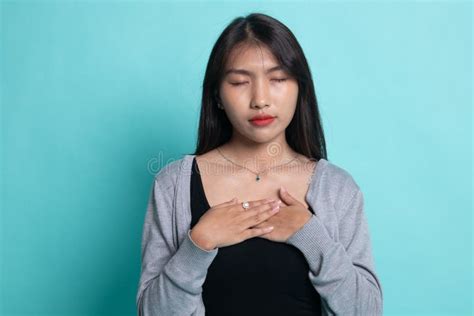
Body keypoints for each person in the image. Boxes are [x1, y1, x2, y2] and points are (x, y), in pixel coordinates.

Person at [136, 12, 383, 316]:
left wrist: (311, 235)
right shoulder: (172, 185)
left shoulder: (338, 188)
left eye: (278, 79)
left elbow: (367, 312)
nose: (260, 99)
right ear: (217, 95)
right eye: (240, 82)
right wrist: (198, 243)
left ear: (300, 88)